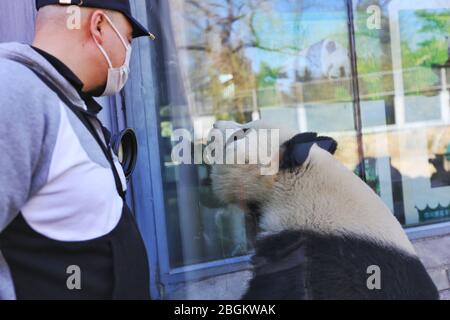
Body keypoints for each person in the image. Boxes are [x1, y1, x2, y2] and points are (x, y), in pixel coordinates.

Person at [0, 0, 155, 300]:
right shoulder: (14, 92)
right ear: (98, 26)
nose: (127, 52)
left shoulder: (66, 102)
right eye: (127, 37)